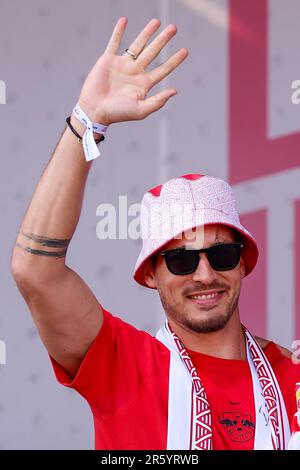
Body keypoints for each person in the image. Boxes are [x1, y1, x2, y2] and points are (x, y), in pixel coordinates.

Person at [11, 17, 299, 450]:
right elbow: (35, 270)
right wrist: (86, 121)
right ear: (150, 272)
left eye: (220, 255)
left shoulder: (291, 375)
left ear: (242, 262)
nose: (204, 274)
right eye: (181, 259)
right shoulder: (123, 365)